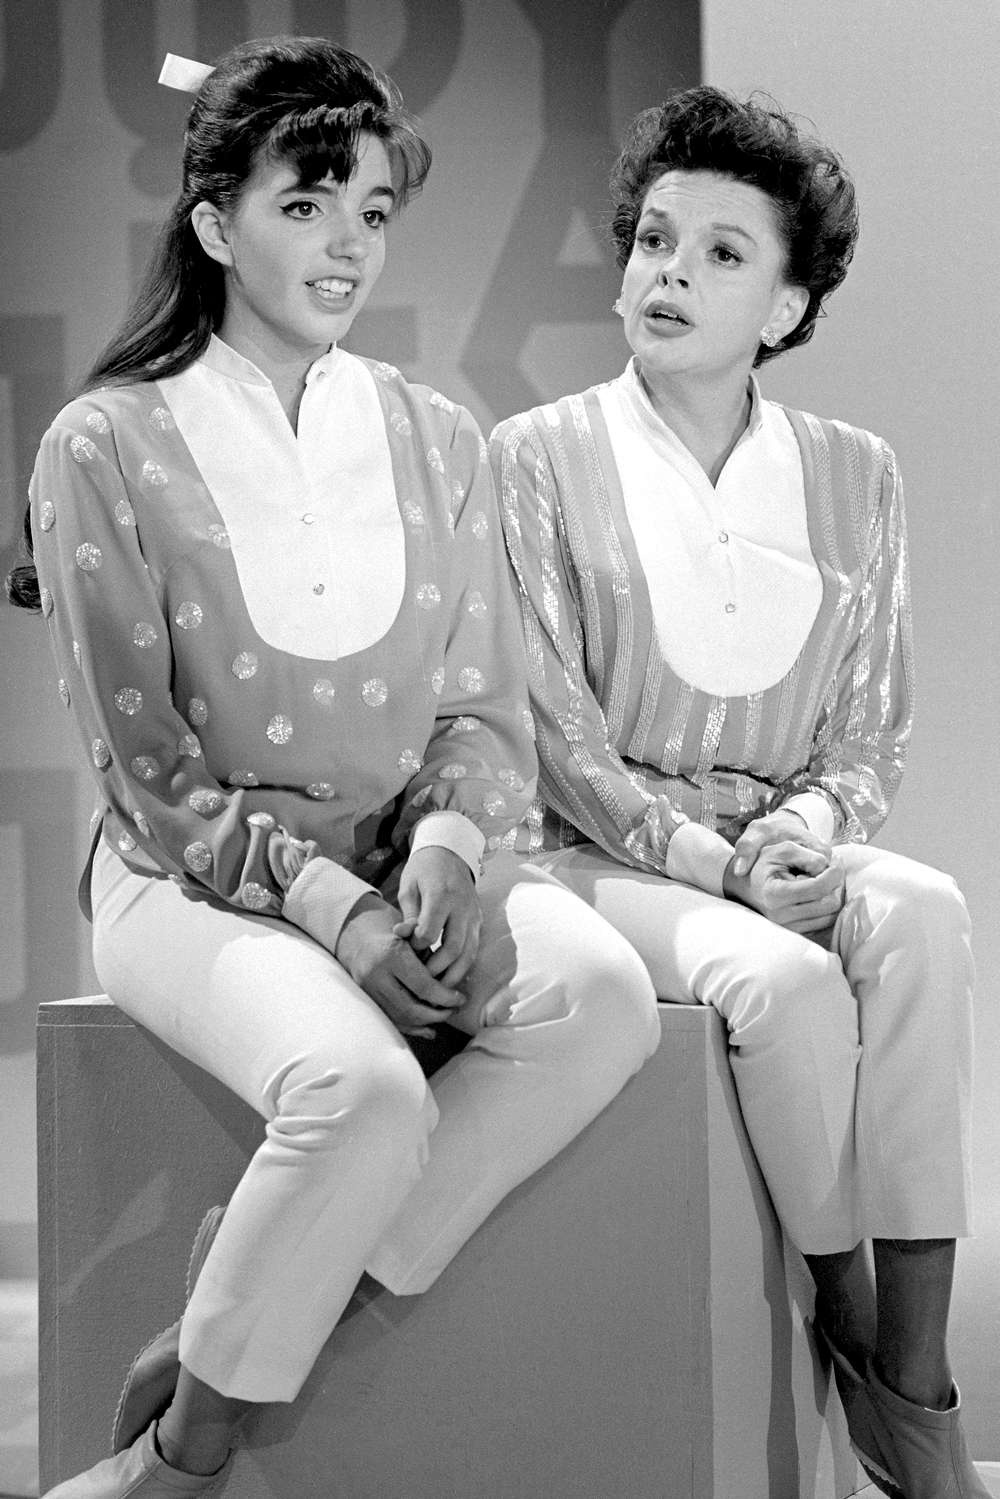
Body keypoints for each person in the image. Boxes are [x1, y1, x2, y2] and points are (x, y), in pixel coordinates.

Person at [8, 37, 661, 1498]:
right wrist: (340, 916)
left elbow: (483, 707)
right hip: (191, 881)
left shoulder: (437, 435)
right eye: (308, 206)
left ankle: (244, 1313)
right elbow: (151, 770)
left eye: (373, 213)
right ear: (213, 221)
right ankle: (176, 1462)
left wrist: (439, 852)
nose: (348, 246)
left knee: (608, 1000)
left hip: (397, 857)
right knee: (363, 1093)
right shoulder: (100, 444)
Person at [490, 85, 985, 1499]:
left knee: (930, 918)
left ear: (784, 305)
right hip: (599, 853)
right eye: (655, 241)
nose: (669, 276)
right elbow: (553, 732)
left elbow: (870, 724)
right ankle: (852, 1334)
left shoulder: (854, 476)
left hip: (777, 841)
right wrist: (717, 867)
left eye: (720, 255)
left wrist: (810, 831)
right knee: (788, 986)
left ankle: (919, 1380)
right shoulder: (538, 457)